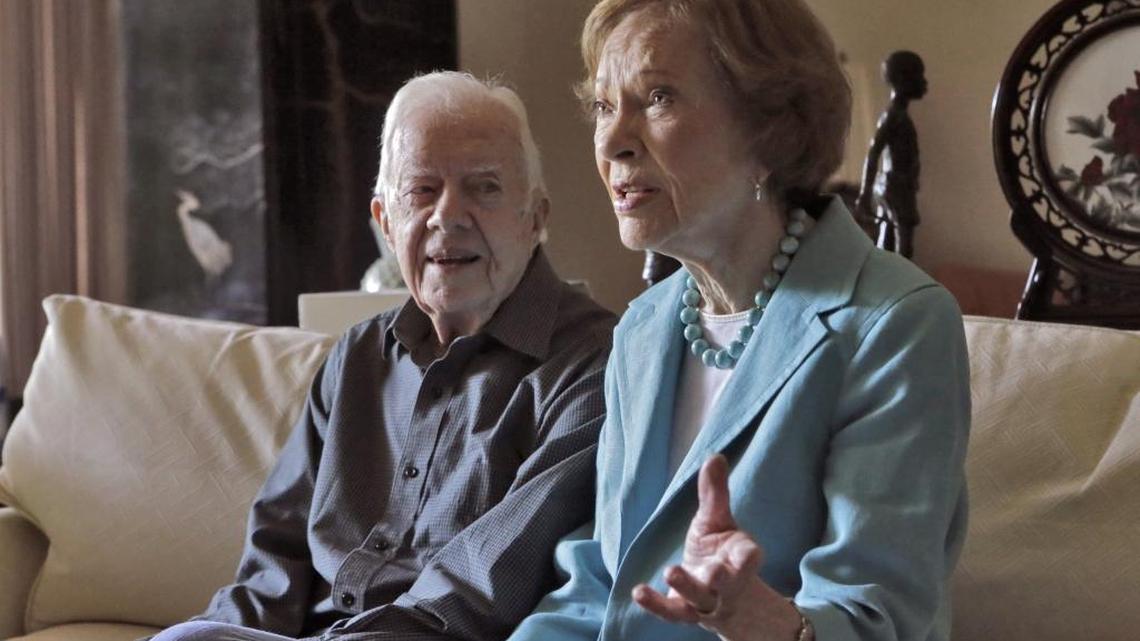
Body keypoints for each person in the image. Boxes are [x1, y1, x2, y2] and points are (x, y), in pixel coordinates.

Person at [509, 2, 969, 641]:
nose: (613, 141)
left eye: (658, 97)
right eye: (603, 107)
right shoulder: (641, 329)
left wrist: (762, 620)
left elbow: (878, 618)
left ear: (768, 127)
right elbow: (601, 583)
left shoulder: (895, 326)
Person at [152, 71, 616, 641]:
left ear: (536, 217)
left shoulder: (593, 364)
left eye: (485, 186)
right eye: (422, 190)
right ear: (386, 223)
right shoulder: (358, 356)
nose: (448, 215)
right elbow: (274, 563)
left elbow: (479, 593)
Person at [855, 51, 928, 258]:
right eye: (919, 76)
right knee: (903, 249)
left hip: (894, 187)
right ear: (904, 80)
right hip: (897, 188)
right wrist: (864, 193)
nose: (924, 82)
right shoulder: (894, 116)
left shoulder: (898, 116)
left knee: (885, 243)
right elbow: (873, 152)